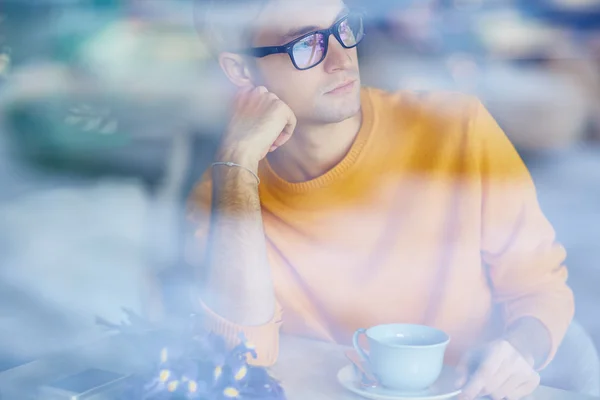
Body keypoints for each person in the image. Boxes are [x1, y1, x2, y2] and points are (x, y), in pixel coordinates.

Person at [183, 0, 581, 399]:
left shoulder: (457, 127)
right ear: (240, 70)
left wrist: (517, 352)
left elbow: (537, 289)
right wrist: (236, 163)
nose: (341, 59)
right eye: (305, 44)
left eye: (342, 29)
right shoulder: (227, 194)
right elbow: (241, 360)